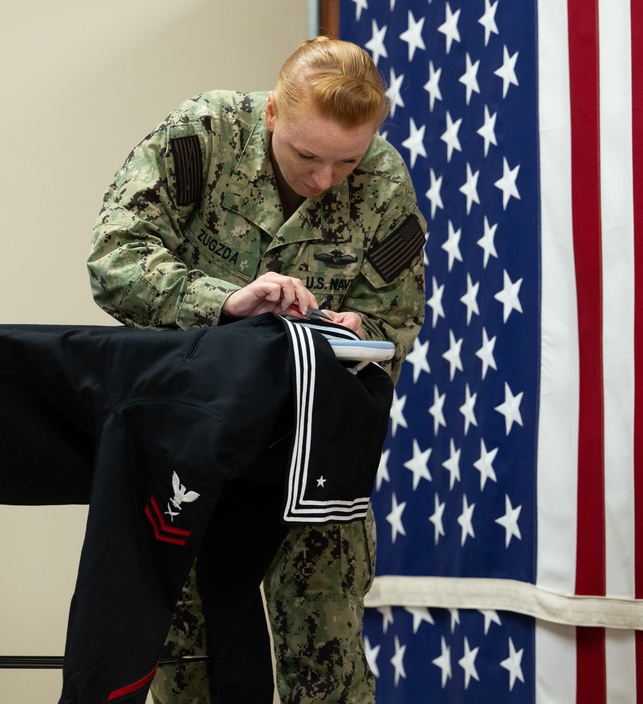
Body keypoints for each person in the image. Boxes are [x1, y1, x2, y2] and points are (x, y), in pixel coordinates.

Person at [87, 36, 426, 703]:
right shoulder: (206, 136)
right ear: (272, 113)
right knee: (187, 653)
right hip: (189, 442)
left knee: (326, 659)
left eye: (345, 162)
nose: (324, 179)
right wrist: (225, 302)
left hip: (309, 453)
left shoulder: (384, 180)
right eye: (307, 155)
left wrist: (363, 336)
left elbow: (395, 320)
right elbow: (115, 261)